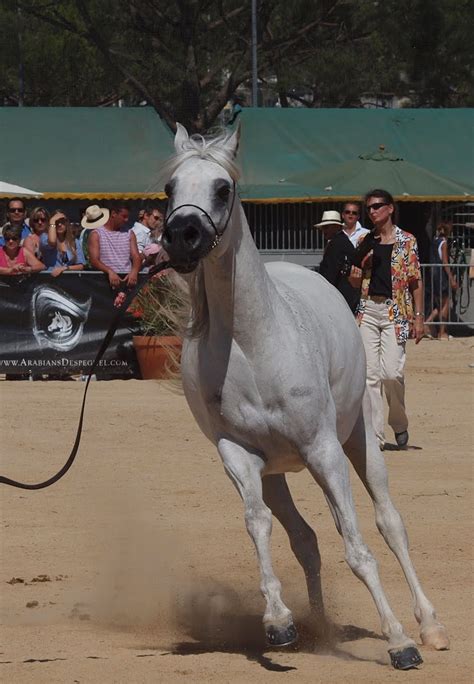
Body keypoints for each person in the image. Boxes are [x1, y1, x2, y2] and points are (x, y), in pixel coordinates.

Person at [349, 189, 424, 451]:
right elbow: (354, 281)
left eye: (377, 206)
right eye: (368, 207)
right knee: (370, 376)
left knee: (392, 373)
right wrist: (357, 273)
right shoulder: (365, 241)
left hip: (397, 313)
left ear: (390, 208)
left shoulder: (408, 241)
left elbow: (415, 281)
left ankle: (399, 423)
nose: (372, 211)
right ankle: (375, 437)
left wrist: (418, 317)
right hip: (368, 310)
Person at [88, 201, 141, 289]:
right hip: (104, 281)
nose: (126, 220)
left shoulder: (129, 233)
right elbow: (94, 260)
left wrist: (134, 271)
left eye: (127, 217)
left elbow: (136, 256)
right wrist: (109, 271)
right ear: (113, 214)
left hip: (127, 281)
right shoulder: (96, 234)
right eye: (124, 216)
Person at [316, 210, 361, 313]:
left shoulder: (337, 244)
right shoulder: (339, 241)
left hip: (341, 295)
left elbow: (331, 272)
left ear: (336, 227)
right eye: (323, 227)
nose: (323, 230)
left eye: (326, 227)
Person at [424, 222, 458, 340]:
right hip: (441, 276)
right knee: (445, 305)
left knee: (440, 305)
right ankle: (442, 332)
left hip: (433, 275)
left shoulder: (434, 241)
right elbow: (445, 262)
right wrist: (451, 278)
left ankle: (427, 324)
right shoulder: (443, 243)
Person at [39, 211, 85, 276]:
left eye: (62, 222)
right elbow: (52, 242)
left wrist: (65, 268)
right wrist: (52, 221)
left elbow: (80, 265)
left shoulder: (74, 241)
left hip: (69, 279)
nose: (60, 225)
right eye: (56, 222)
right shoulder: (44, 237)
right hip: (50, 278)